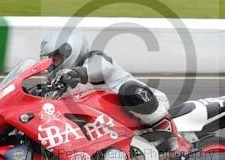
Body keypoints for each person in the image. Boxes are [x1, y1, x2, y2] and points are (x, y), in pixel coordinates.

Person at [38, 29, 177, 151]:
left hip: (149, 105)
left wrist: (77, 73)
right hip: (111, 131)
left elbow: (99, 69)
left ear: (69, 52)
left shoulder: (95, 59)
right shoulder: (59, 84)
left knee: (129, 90)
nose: (51, 64)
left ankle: (166, 129)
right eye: (49, 60)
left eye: (55, 59)